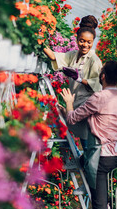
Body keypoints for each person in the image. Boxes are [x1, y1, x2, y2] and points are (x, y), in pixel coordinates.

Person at [60, 61, 117, 209]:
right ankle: (103, 201)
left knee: (99, 205)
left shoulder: (99, 97)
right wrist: (68, 111)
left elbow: (72, 119)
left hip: (101, 157)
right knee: (84, 161)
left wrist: (69, 103)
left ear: (102, 76)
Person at [43, 15, 102, 152]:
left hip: (88, 108)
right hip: (75, 105)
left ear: (93, 42)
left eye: (89, 42)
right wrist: (39, 41)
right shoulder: (73, 55)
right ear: (77, 40)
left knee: (89, 145)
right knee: (83, 141)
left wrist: (80, 79)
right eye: (82, 41)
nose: (85, 45)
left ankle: (91, 170)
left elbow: (98, 86)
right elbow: (53, 56)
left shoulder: (94, 60)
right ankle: (78, 162)